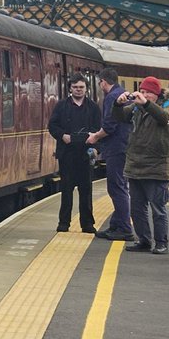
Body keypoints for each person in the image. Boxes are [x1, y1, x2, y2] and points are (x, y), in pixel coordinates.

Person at [114, 76, 169, 254]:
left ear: (156, 95)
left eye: (148, 93)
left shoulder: (164, 108)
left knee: (158, 209)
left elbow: (162, 117)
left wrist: (145, 103)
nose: (144, 95)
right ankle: (144, 240)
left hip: (156, 167)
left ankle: (161, 242)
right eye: (143, 91)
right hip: (135, 165)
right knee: (137, 208)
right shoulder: (137, 108)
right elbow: (120, 117)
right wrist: (117, 104)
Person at [47, 73, 100, 233]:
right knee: (66, 190)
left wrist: (97, 149)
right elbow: (52, 126)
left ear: (86, 89)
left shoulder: (93, 107)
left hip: (86, 153)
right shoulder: (61, 106)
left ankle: (87, 224)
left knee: (86, 191)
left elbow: (100, 129)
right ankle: (64, 223)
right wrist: (62, 136)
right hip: (67, 153)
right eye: (75, 87)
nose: (78, 90)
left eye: (81, 87)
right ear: (70, 88)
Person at [86, 68, 135, 241]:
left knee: (117, 187)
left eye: (100, 82)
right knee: (120, 186)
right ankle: (116, 224)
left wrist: (95, 137)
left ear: (103, 81)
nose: (100, 85)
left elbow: (109, 126)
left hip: (116, 148)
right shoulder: (122, 93)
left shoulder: (111, 98)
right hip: (124, 146)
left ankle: (124, 228)